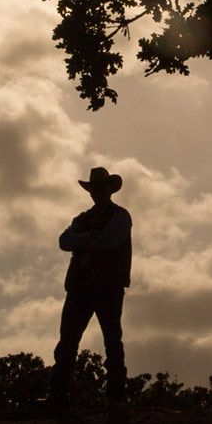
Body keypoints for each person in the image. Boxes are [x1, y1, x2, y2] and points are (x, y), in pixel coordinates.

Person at [50, 166, 133, 408]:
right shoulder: (84, 218)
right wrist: (91, 237)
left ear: (108, 190)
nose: (96, 192)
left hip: (107, 285)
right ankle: (58, 395)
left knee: (111, 340)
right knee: (68, 340)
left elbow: (110, 241)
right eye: (94, 188)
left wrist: (85, 239)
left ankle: (115, 396)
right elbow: (63, 241)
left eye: (100, 188)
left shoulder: (120, 216)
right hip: (81, 286)